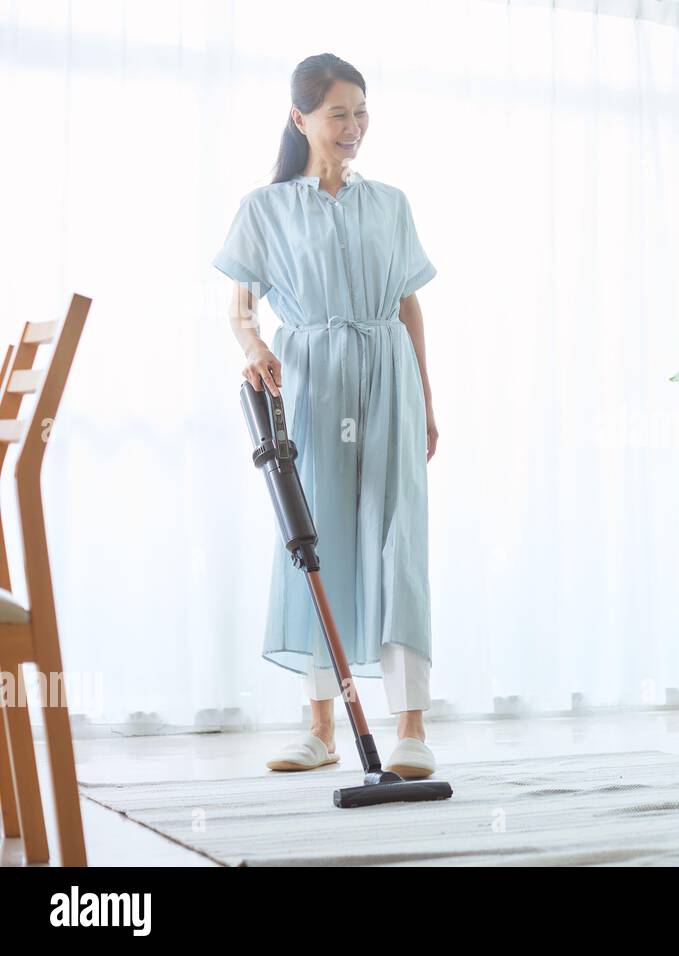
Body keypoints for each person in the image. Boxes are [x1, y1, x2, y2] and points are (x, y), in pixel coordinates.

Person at [214, 53, 440, 779]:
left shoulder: (391, 202)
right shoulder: (265, 207)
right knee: (314, 543)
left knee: (399, 544)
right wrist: (252, 345)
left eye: (362, 112)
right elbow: (240, 303)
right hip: (310, 382)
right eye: (339, 113)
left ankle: (410, 727)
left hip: (389, 377)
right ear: (300, 118)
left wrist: (429, 401)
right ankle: (321, 727)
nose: (354, 127)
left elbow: (409, 303)